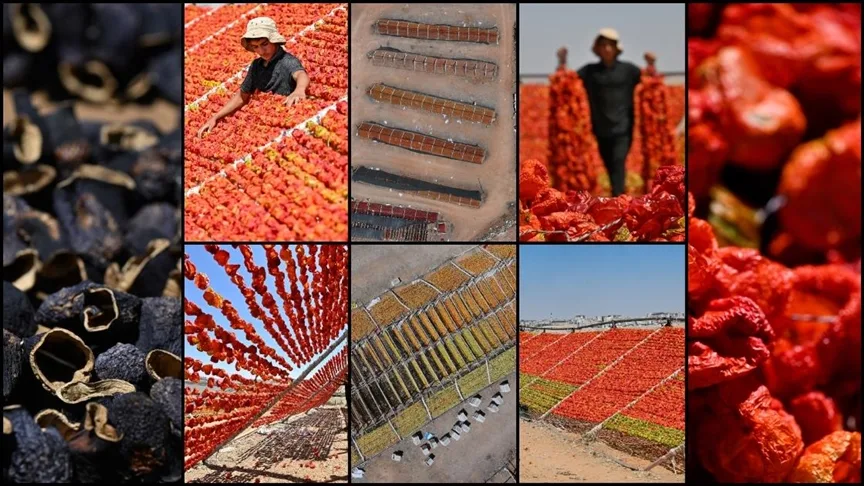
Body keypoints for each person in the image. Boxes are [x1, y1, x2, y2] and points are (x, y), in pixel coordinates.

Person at [558, 28, 657, 196]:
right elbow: (567, 81)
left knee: (619, 161)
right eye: (603, 45)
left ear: (616, 48)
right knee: (609, 164)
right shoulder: (590, 71)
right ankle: (616, 196)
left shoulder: (628, 70)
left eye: (610, 45)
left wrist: (651, 64)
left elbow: (650, 82)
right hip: (600, 128)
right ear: (598, 49)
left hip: (623, 128)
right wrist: (562, 61)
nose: (607, 49)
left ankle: (619, 198)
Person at [197, 17, 311, 138]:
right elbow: (242, 96)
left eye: (264, 44)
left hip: (285, 121)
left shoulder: (286, 60)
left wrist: (299, 90)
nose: (261, 51)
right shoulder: (256, 65)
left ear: (274, 40)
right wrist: (215, 117)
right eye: (255, 47)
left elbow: (300, 74)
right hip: (264, 121)